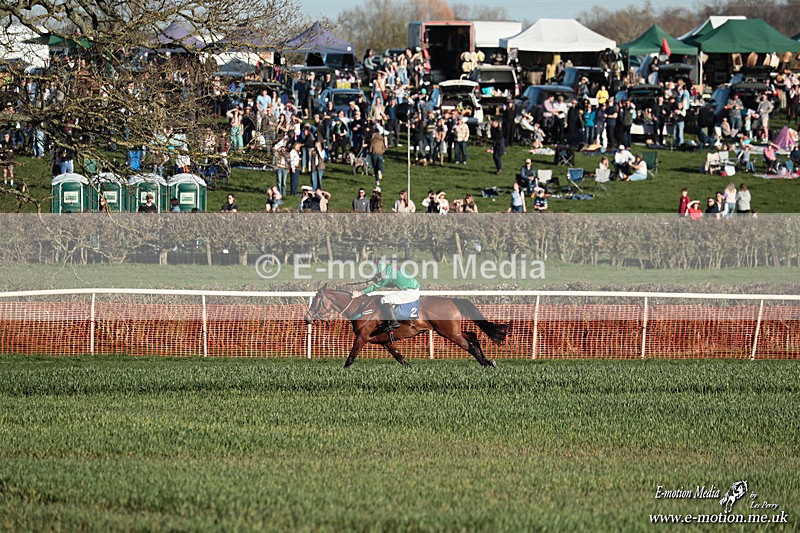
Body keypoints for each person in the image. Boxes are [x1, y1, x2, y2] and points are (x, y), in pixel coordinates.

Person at [352, 261, 421, 334]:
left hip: (410, 292)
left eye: (379, 275)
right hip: (412, 289)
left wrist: (360, 293)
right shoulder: (391, 269)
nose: (379, 276)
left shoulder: (388, 274)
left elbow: (377, 286)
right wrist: (379, 282)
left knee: (384, 300)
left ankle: (393, 322)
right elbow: (391, 284)